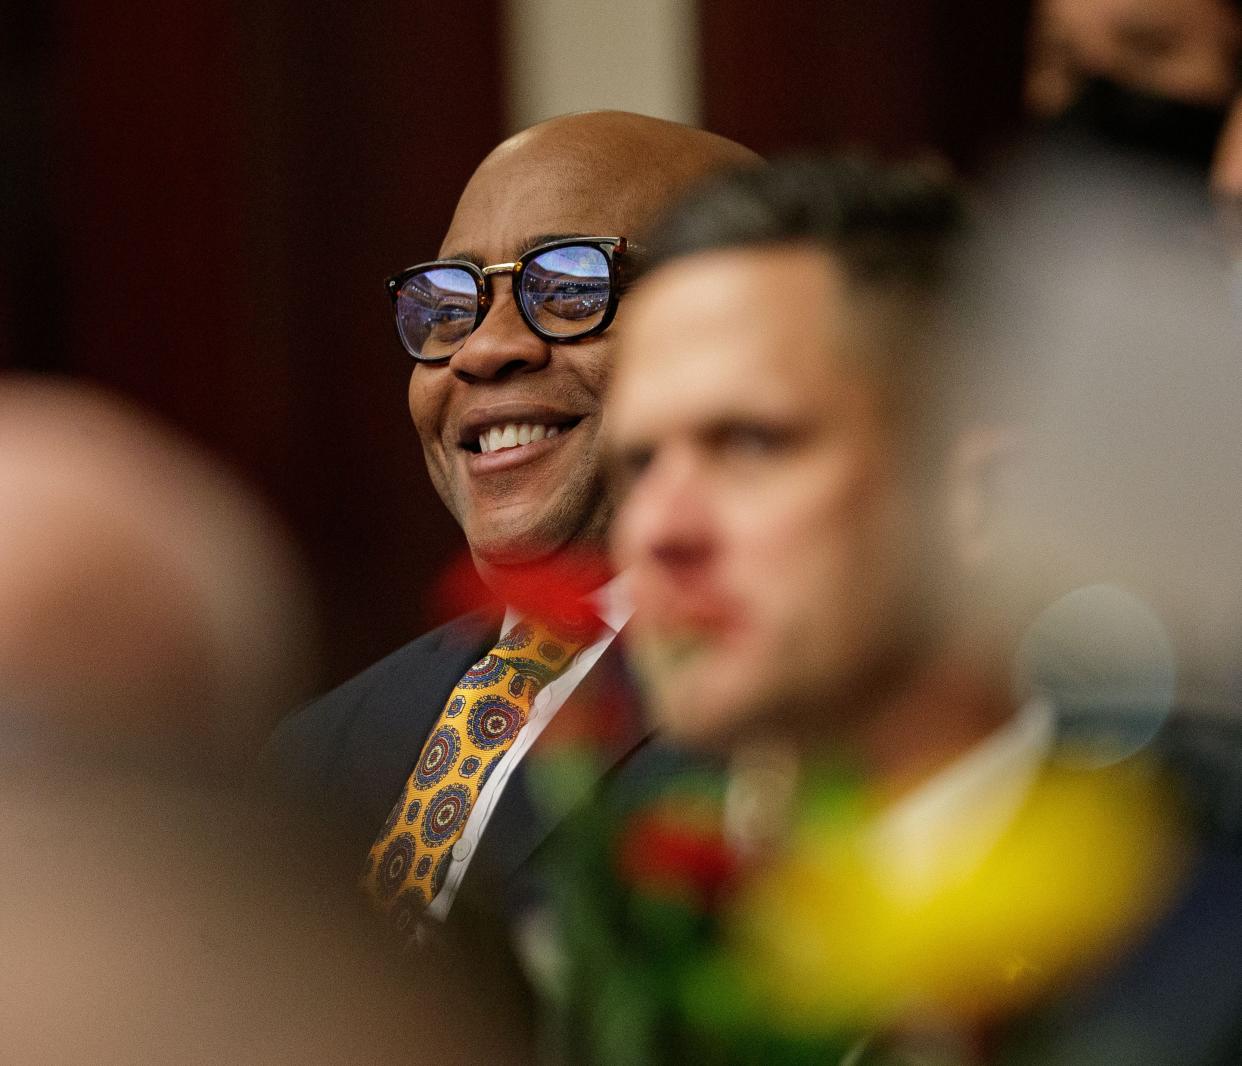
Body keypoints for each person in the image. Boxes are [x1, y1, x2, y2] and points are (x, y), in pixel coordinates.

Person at [599, 156, 1242, 1064]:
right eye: (637, 465)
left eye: (750, 442)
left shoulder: (1186, 955)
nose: (659, 529)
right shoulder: (628, 912)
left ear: (980, 492)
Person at [263, 112, 760, 947]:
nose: (482, 350)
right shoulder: (312, 755)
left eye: (570, 288)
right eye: (448, 304)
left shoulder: (805, 724)